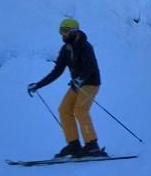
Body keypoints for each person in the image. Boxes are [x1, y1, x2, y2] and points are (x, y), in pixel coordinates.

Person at [27, 18, 106, 158]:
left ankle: (92, 146)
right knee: (63, 109)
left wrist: (80, 79)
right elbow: (57, 71)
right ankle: (74, 145)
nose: (62, 35)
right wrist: (38, 85)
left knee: (80, 110)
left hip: (91, 83)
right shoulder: (65, 49)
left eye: (65, 32)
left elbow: (91, 67)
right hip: (77, 85)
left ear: (74, 31)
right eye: (61, 32)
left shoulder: (85, 46)